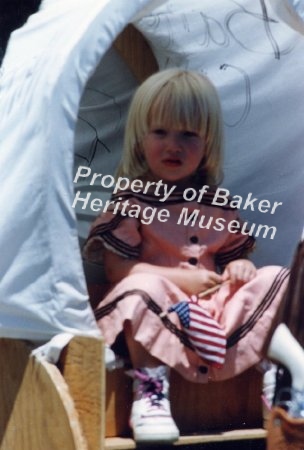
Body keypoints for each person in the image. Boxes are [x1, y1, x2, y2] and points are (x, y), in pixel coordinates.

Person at [83, 68, 292, 443]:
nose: (173, 146)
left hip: (216, 315)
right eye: (160, 132)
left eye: (188, 135)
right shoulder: (132, 200)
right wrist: (181, 280)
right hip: (162, 314)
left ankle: (276, 378)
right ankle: (150, 390)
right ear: (140, 139)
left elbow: (232, 261)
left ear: (208, 142)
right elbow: (118, 269)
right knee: (142, 286)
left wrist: (241, 268)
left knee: (277, 276)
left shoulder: (218, 203)